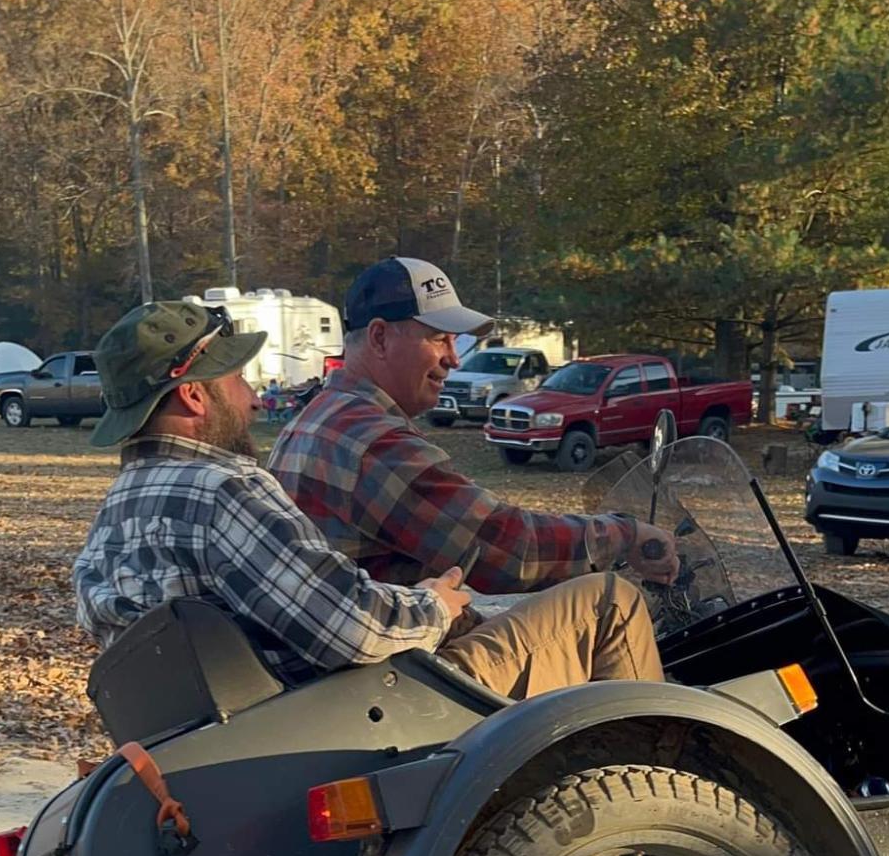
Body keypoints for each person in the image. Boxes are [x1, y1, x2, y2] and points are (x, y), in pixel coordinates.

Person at [73, 298, 663, 700]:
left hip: (251, 732)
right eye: (238, 380)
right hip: (353, 719)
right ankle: (673, 810)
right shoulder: (222, 490)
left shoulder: (113, 517)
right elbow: (353, 628)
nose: (253, 399)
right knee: (610, 603)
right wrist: (435, 606)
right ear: (195, 397)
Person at [268, 255, 680, 599]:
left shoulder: (315, 419)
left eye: (454, 341)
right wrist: (625, 535)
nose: (454, 358)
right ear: (379, 338)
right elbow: (510, 550)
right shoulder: (375, 441)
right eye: (438, 339)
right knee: (611, 606)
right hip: (404, 664)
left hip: (370, 651)